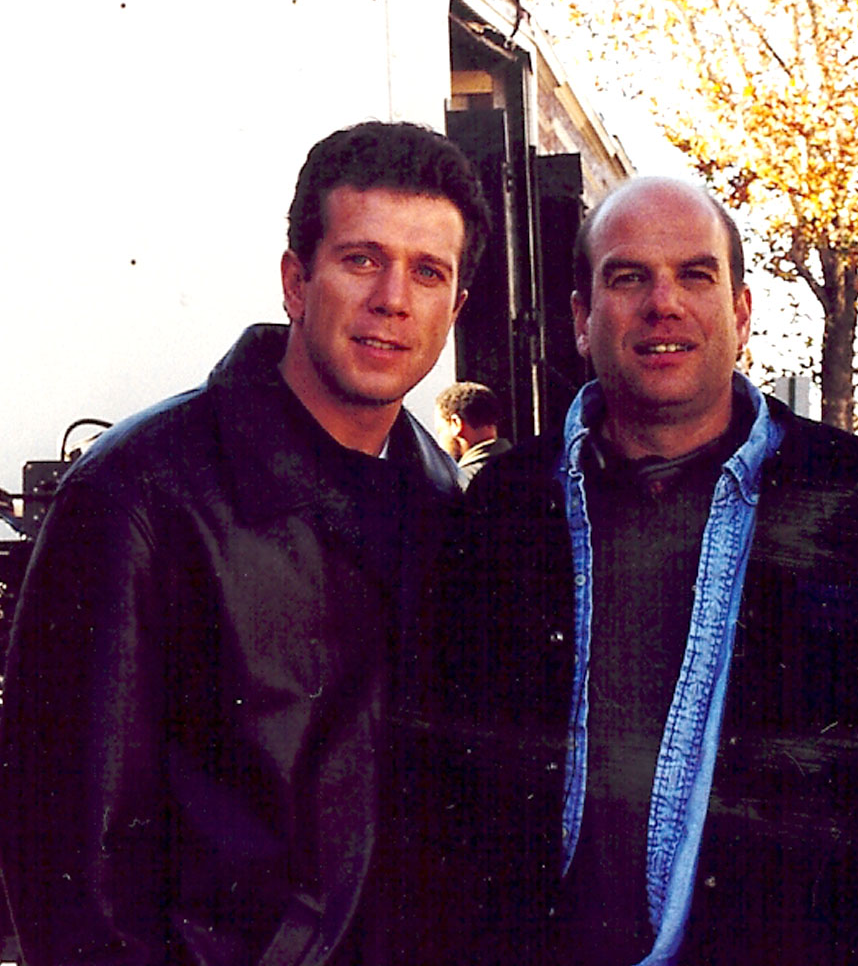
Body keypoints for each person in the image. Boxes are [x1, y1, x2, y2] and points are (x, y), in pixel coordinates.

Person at [0, 120, 490, 966]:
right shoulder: (140, 496)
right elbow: (66, 859)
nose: (393, 298)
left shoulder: (447, 509)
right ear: (296, 281)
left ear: (456, 308)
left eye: (428, 271)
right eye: (362, 259)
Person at [431, 176, 858, 965]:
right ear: (580, 319)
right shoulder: (502, 508)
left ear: (741, 313)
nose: (664, 303)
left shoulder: (843, 500)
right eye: (629, 277)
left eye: (696, 274)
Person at [434, 382, 511, 485]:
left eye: (440, 431)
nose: (440, 444)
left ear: (456, 423)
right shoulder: (525, 470)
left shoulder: (461, 484)